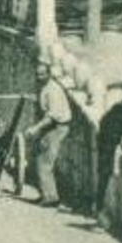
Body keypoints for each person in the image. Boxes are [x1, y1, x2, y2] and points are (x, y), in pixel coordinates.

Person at [22, 61, 73, 208]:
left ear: (49, 74)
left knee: (44, 161)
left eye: (42, 74)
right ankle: (48, 194)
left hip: (57, 127)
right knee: (40, 158)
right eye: (37, 74)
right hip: (50, 127)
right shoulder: (44, 87)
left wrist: (35, 128)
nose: (39, 77)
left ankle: (50, 198)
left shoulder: (53, 90)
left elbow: (52, 116)